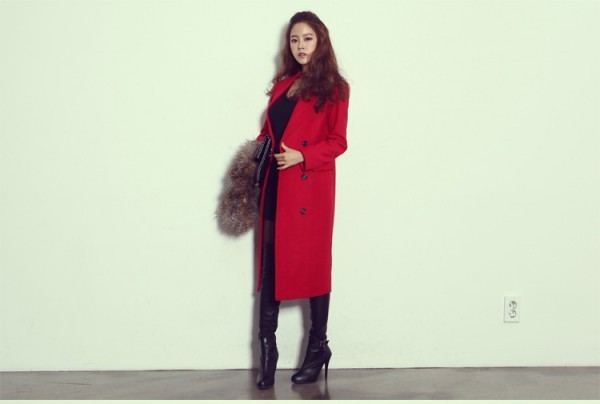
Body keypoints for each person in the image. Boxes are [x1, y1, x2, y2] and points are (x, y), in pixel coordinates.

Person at [253, 11, 350, 389]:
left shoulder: (335, 88)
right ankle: (267, 351)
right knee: (270, 265)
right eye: (294, 39)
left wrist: (303, 156)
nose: (300, 46)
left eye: (307, 38)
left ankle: (318, 347)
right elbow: (270, 132)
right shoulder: (282, 85)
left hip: (309, 188)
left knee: (315, 267)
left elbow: (338, 142)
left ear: (320, 41)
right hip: (277, 185)